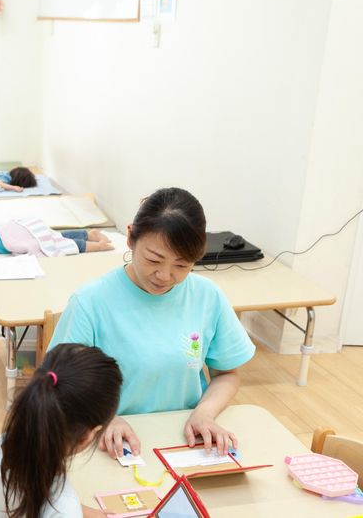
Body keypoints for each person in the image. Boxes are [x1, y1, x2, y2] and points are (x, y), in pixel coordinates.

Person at [48, 187, 255, 459]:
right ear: (130, 237)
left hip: (185, 443)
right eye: (154, 260)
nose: (165, 276)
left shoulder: (207, 296)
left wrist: (204, 414)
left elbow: (226, 374)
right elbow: (59, 385)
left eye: (182, 265)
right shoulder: (90, 302)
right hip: (112, 445)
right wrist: (105, 419)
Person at [0, 343, 122, 518]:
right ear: (88, 436)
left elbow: (39, 498)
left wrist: (84, 512)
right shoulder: (66, 509)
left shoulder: (2, 445)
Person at [0, 222, 113, 261]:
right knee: (55, 235)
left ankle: (98, 246)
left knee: (58, 244)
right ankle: (89, 233)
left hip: (23, 236)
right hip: (26, 227)